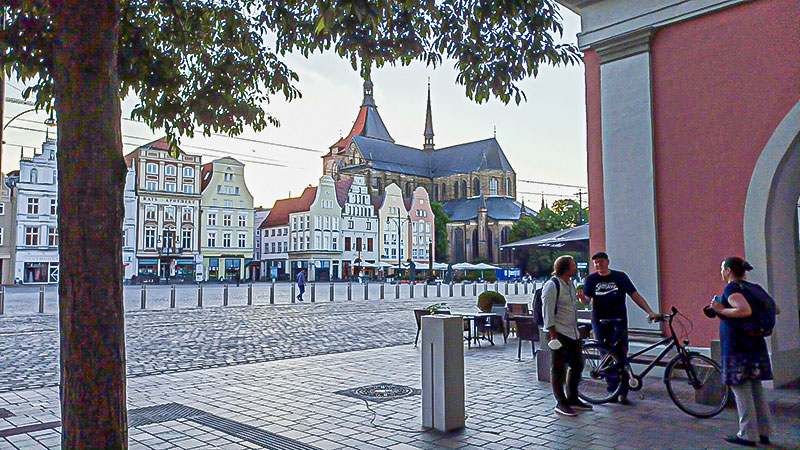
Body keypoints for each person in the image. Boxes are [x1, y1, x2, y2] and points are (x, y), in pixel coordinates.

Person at [709, 257, 779, 447]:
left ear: (729, 270)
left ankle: (747, 433)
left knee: (741, 389)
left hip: (737, 346)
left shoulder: (732, 288)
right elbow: (776, 308)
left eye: (722, 269)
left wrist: (721, 310)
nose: (721, 273)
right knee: (756, 389)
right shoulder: (754, 287)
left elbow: (744, 310)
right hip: (755, 345)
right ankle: (765, 431)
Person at [581, 252, 658, 404]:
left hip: (619, 321)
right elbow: (587, 300)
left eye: (601, 262)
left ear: (607, 262)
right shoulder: (591, 279)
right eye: (596, 263)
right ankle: (612, 390)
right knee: (606, 354)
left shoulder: (620, 277)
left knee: (622, 354)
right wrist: (582, 298)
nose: (598, 265)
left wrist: (649, 311)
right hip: (600, 322)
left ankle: (623, 391)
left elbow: (634, 295)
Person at [543, 255, 592, 416]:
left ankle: (573, 397)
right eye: (573, 265)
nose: (575, 267)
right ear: (565, 268)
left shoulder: (570, 284)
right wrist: (553, 335)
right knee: (558, 369)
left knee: (578, 365)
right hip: (559, 333)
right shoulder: (552, 285)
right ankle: (561, 402)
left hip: (573, 333)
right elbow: (548, 312)